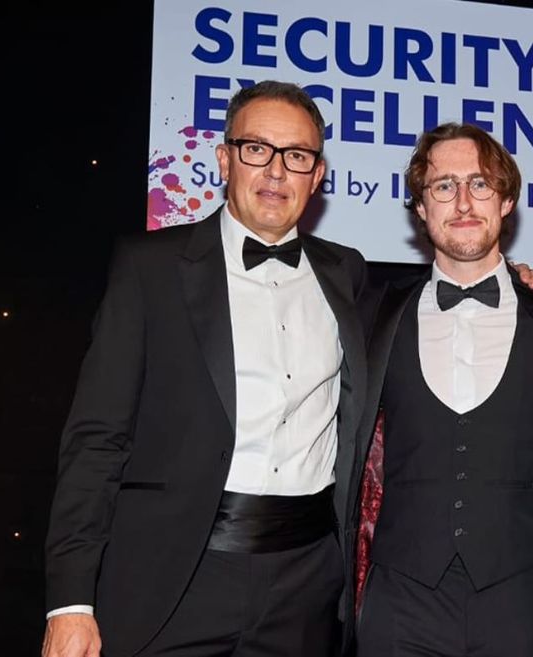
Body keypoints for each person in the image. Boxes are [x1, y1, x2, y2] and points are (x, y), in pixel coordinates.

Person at [41, 81, 368, 657]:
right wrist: (71, 601)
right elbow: (97, 440)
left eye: (296, 156)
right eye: (256, 149)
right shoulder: (150, 268)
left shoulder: (348, 273)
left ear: (317, 176)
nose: (275, 171)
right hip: (174, 577)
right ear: (224, 158)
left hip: (307, 585)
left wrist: (514, 277)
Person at [347, 123, 533, 657]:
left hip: (524, 602)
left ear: (507, 200)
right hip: (399, 602)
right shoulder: (372, 313)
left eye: (481, 184)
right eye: (444, 186)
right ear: (421, 206)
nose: (463, 201)